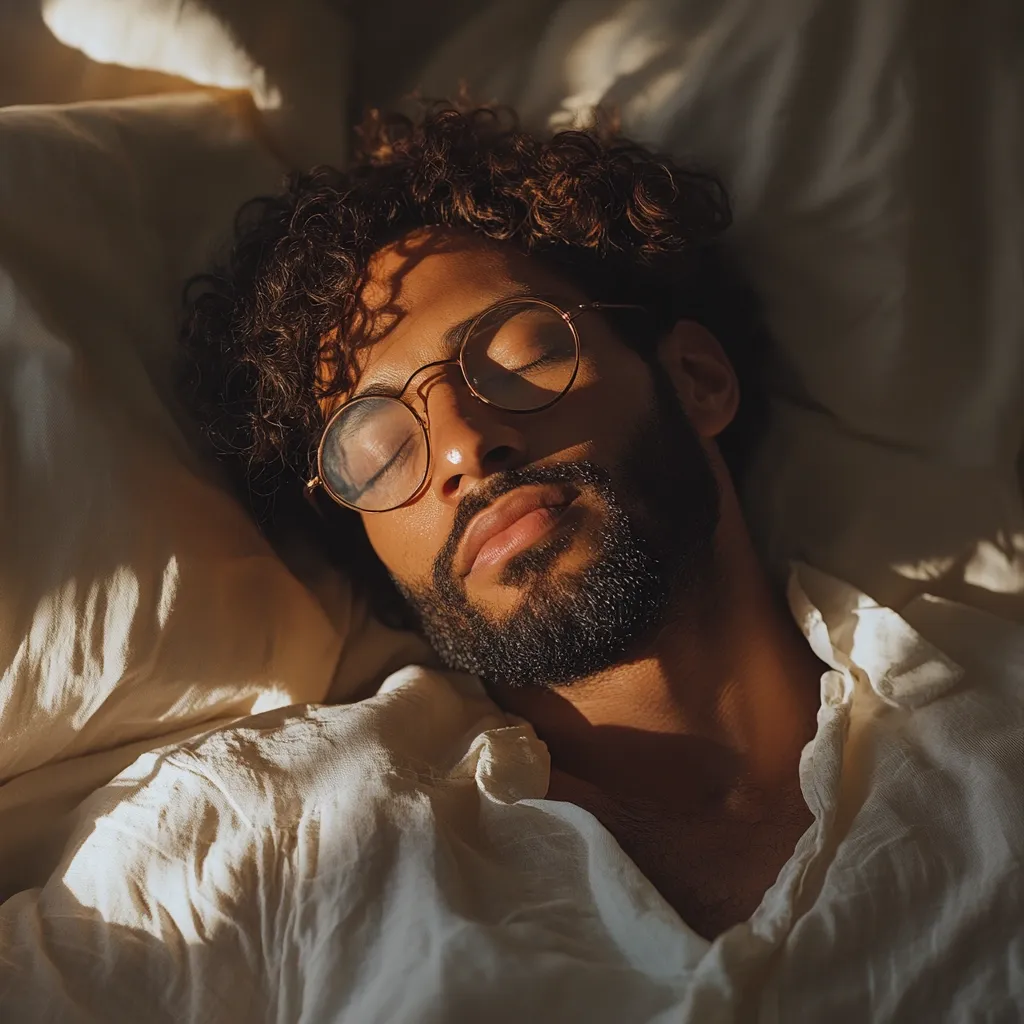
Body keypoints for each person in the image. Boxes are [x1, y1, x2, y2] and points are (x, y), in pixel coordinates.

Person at [180, 105, 1024, 996]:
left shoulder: (1000, 749)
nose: (464, 445)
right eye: (381, 452)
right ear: (374, 554)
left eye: (514, 354)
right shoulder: (261, 842)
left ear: (695, 382)